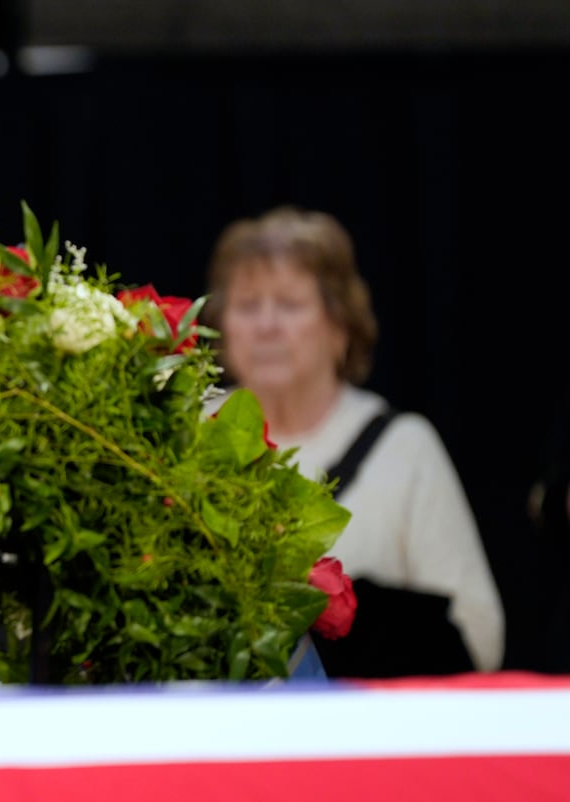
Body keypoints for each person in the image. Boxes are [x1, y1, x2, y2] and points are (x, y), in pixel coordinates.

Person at [204, 205, 504, 675]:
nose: (266, 325)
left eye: (288, 305)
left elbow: (480, 631)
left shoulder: (404, 448)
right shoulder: (190, 433)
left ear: (340, 326)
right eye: (247, 306)